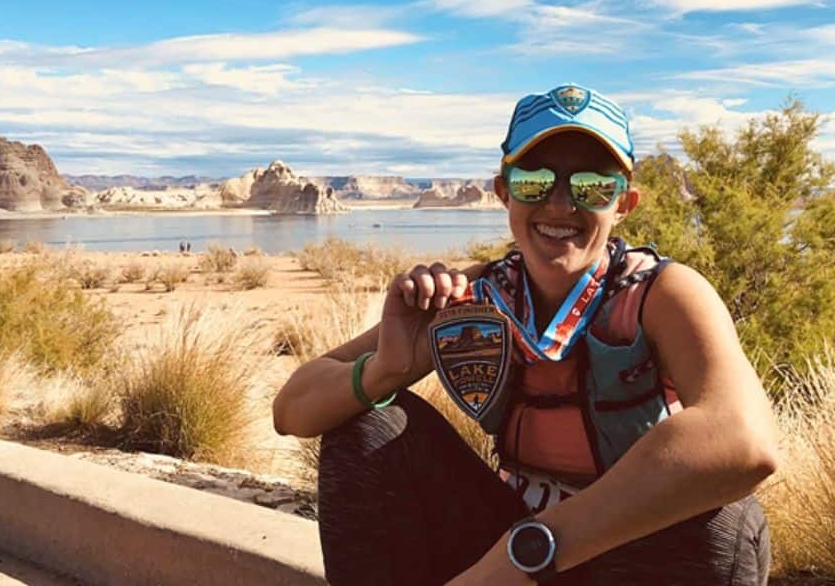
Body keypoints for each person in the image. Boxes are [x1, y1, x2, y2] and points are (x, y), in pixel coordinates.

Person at [273, 84, 778, 586]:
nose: (560, 206)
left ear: (624, 204)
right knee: (367, 425)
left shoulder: (660, 293)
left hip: (621, 546)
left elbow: (745, 441)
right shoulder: (475, 296)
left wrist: (521, 558)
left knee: (729, 524)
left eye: (591, 187)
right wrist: (387, 369)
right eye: (535, 182)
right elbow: (291, 410)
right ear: (503, 191)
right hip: (508, 528)